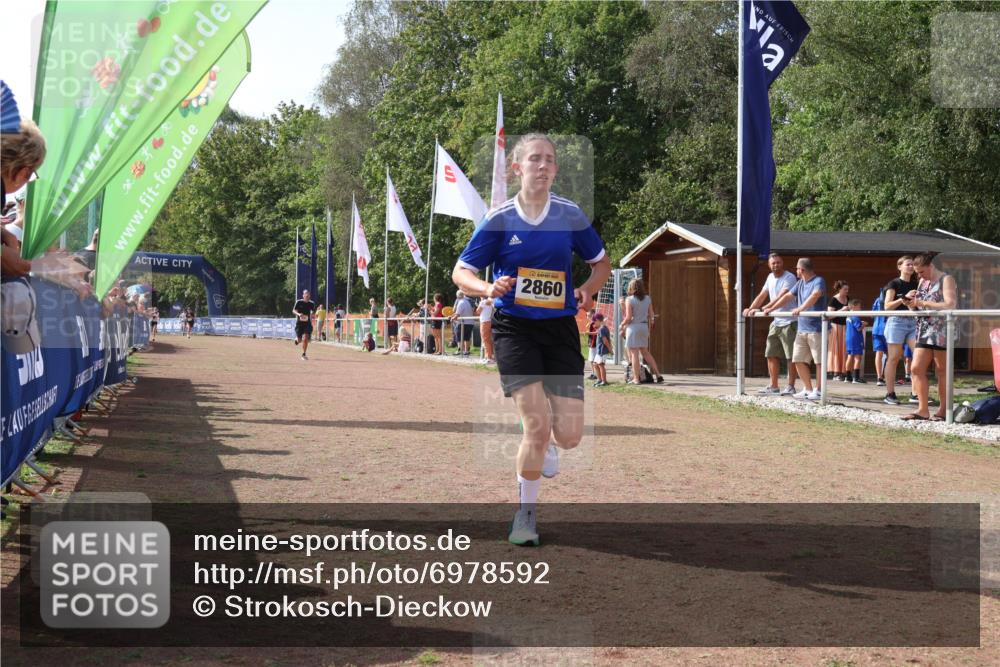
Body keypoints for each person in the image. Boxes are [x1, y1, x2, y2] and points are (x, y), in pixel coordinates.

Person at [451, 133, 611, 546]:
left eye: (550, 160)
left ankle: (548, 448)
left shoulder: (570, 214)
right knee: (536, 428)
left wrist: (588, 289)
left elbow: (601, 263)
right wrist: (487, 289)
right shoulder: (500, 218)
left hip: (559, 330)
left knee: (570, 436)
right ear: (517, 168)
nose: (543, 166)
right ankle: (525, 517)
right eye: (534, 159)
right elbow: (461, 272)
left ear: (556, 170)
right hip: (514, 329)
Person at [901, 252, 958, 421]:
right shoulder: (922, 282)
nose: (919, 275)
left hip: (942, 330)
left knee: (942, 371)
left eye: (922, 272)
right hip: (924, 329)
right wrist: (910, 304)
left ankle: (943, 410)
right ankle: (922, 409)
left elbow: (949, 304)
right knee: (916, 368)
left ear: (931, 266)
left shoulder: (947, 279)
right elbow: (919, 308)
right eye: (917, 273)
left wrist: (921, 302)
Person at [765, 257, 827, 400]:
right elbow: (787, 297)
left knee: (819, 361)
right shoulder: (799, 283)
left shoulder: (818, 281)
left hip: (816, 328)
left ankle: (819, 390)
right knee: (797, 359)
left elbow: (816, 294)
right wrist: (771, 308)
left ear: (802, 270)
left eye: (797, 269)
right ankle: (808, 388)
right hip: (802, 328)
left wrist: (800, 308)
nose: (796, 271)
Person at [744, 253, 798, 395]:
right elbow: (762, 294)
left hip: (790, 321)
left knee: (790, 356)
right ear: (769, 265)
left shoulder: (789, 277)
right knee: (770, 354)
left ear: (782, 263)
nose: (776, 265)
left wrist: (765, 308)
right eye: (773, 263)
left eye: (778, 262)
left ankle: (791, 386)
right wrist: (750, 308)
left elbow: (783, 296)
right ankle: (774, 386)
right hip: (776, 321)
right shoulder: (769, 278)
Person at [882, 256, 919, 405]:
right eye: (908, 264)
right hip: (896, 321)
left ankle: (915, 393)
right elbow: (887, 306)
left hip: (912, 321)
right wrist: (903, 299)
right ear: (900, 267)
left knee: (919, 356)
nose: (911, 267)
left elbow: (916, 305)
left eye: (913, 265)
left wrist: (913, 303)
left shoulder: (917, 283)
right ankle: (890, 394)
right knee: (894, 357)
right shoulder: (894, 283)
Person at [620, 278, 664, 385]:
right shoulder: (648, 298)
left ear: (631, 287)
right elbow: (651, 315)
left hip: (633, 327)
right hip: (644, 327)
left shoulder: (629, 299)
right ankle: (658, 375)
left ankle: (636, 378)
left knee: (634, 354)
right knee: (645, 352)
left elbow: (629, 317)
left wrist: (622, 325)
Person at [827, 280, 850, 381]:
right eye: (845, 289)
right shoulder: (833, 300)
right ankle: (836, 373)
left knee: (844, 349)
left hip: (845, 326)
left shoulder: (848, 298)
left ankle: (843, 371)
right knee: (836, 349)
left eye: (847, 289)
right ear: (839, 289)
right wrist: (841, 310)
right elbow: (829, 316)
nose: (847, 291)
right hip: (835, 327)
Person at [845, 298, 866, 383]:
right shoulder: (855, 316)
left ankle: (848, 377)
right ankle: (856, 378)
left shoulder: (848, 316)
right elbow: (858, 328)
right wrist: (863, 324)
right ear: (853, 307)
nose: (860, 309)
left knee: (850, 356)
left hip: (849, 339)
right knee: (858, 357)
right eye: (859, 307)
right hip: (856, 339)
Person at [293, 289, 316, 360]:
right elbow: (293, 310)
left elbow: (312, 311)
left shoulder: (312, 303)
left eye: (308, 295)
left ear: (309, 296)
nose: (307, 296)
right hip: (299, 324)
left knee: (306, 338)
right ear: (303, 295)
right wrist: (299, 314)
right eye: (306, 295)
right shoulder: (299, 302)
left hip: (307, 323)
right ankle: (297, 340)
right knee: (299, 340)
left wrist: (312, 314)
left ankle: (304, 354)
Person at [450, 290, 475, 356]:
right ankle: (466, 351)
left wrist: (452, 318)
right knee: (467, 337)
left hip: (463, 322)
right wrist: (453, 316)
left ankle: (460, 350)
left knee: (459, 336)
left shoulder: (461, 302)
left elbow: (457, 314)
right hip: (470, 322)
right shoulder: (467, 301)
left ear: (457, 296)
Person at [593, 313, 612, 387]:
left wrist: (610, 349)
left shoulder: (602, 329)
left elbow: (605, 341)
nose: (594, 323)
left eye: (594, 321)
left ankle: (604, 381)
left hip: (602, 351)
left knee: (601, 365)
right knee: (595, 364)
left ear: (598, 320)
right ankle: (599, 379)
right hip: (599, 351)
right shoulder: (601, 328)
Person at [476, 296, 495, 362]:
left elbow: (478, 311)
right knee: (489, 340)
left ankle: (488, 357)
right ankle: (490, 356)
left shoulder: (482, 302)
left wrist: (478, 305)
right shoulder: (490, 302)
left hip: (484, 322)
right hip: (489, 321)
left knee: (485, 340)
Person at [585, 310, 599, 380]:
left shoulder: (595, 324)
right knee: (591, 360)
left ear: (593, 315)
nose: (588, 317)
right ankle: (593, 373)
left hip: (595, 344)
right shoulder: (590, 323)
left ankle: (596, 374)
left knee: (594, 360)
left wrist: (588, 333)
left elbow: (597, 332)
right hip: (591, 343)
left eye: (589, 316)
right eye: (587, 316)